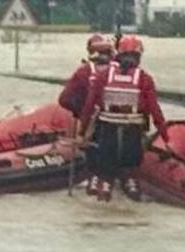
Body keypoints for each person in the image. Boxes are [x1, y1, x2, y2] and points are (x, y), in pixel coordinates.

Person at [79, 35, 167, 201]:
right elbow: (155, 110)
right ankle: (131, 186)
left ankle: (104, 188)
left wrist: (81, 131)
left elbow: (89, 105)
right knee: (131, 170)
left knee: (106, 175)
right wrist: (165, 137)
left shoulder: (103, 76)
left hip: (107, 132)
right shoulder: (144, 79)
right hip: (133, 134)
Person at [57, 33, 115, 117]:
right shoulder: (120, 70)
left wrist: (80, 111)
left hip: (89, 118)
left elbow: (64, 99)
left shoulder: (83, 71)